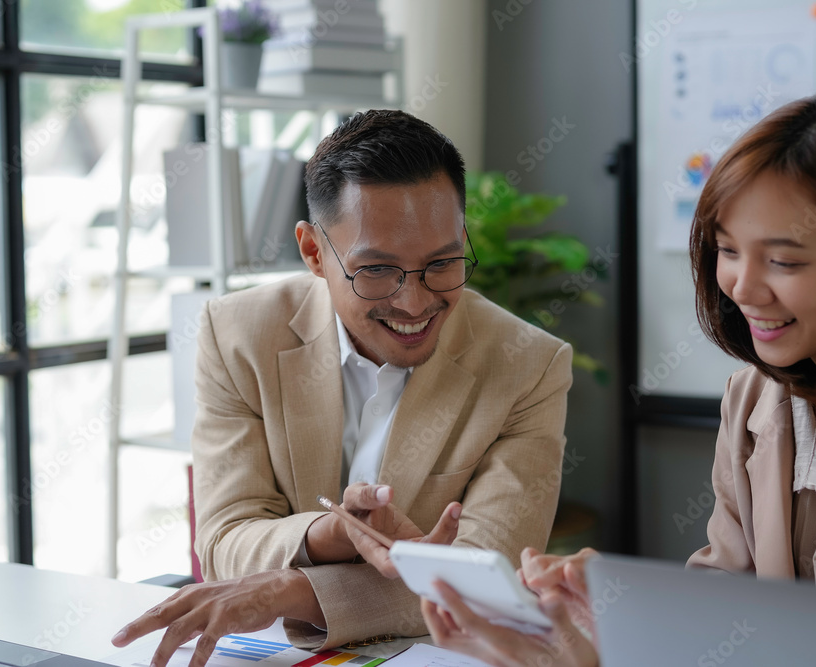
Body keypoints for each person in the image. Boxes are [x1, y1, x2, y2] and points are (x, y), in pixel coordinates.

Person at [342, 94, 816, 666]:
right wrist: (606, 607)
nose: (740, 286)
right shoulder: (758, 397)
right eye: (727, 249)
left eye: (784, 260)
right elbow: (726, 606)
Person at [110, 109, 573, 661]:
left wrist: (292, 588)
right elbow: (223, 543)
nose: (415, 302)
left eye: (443, 262)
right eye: (376, 270)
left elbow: (489, 578)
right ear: (313, 252)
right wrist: (324, 537)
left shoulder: (529, 364)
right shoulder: (238, 335)